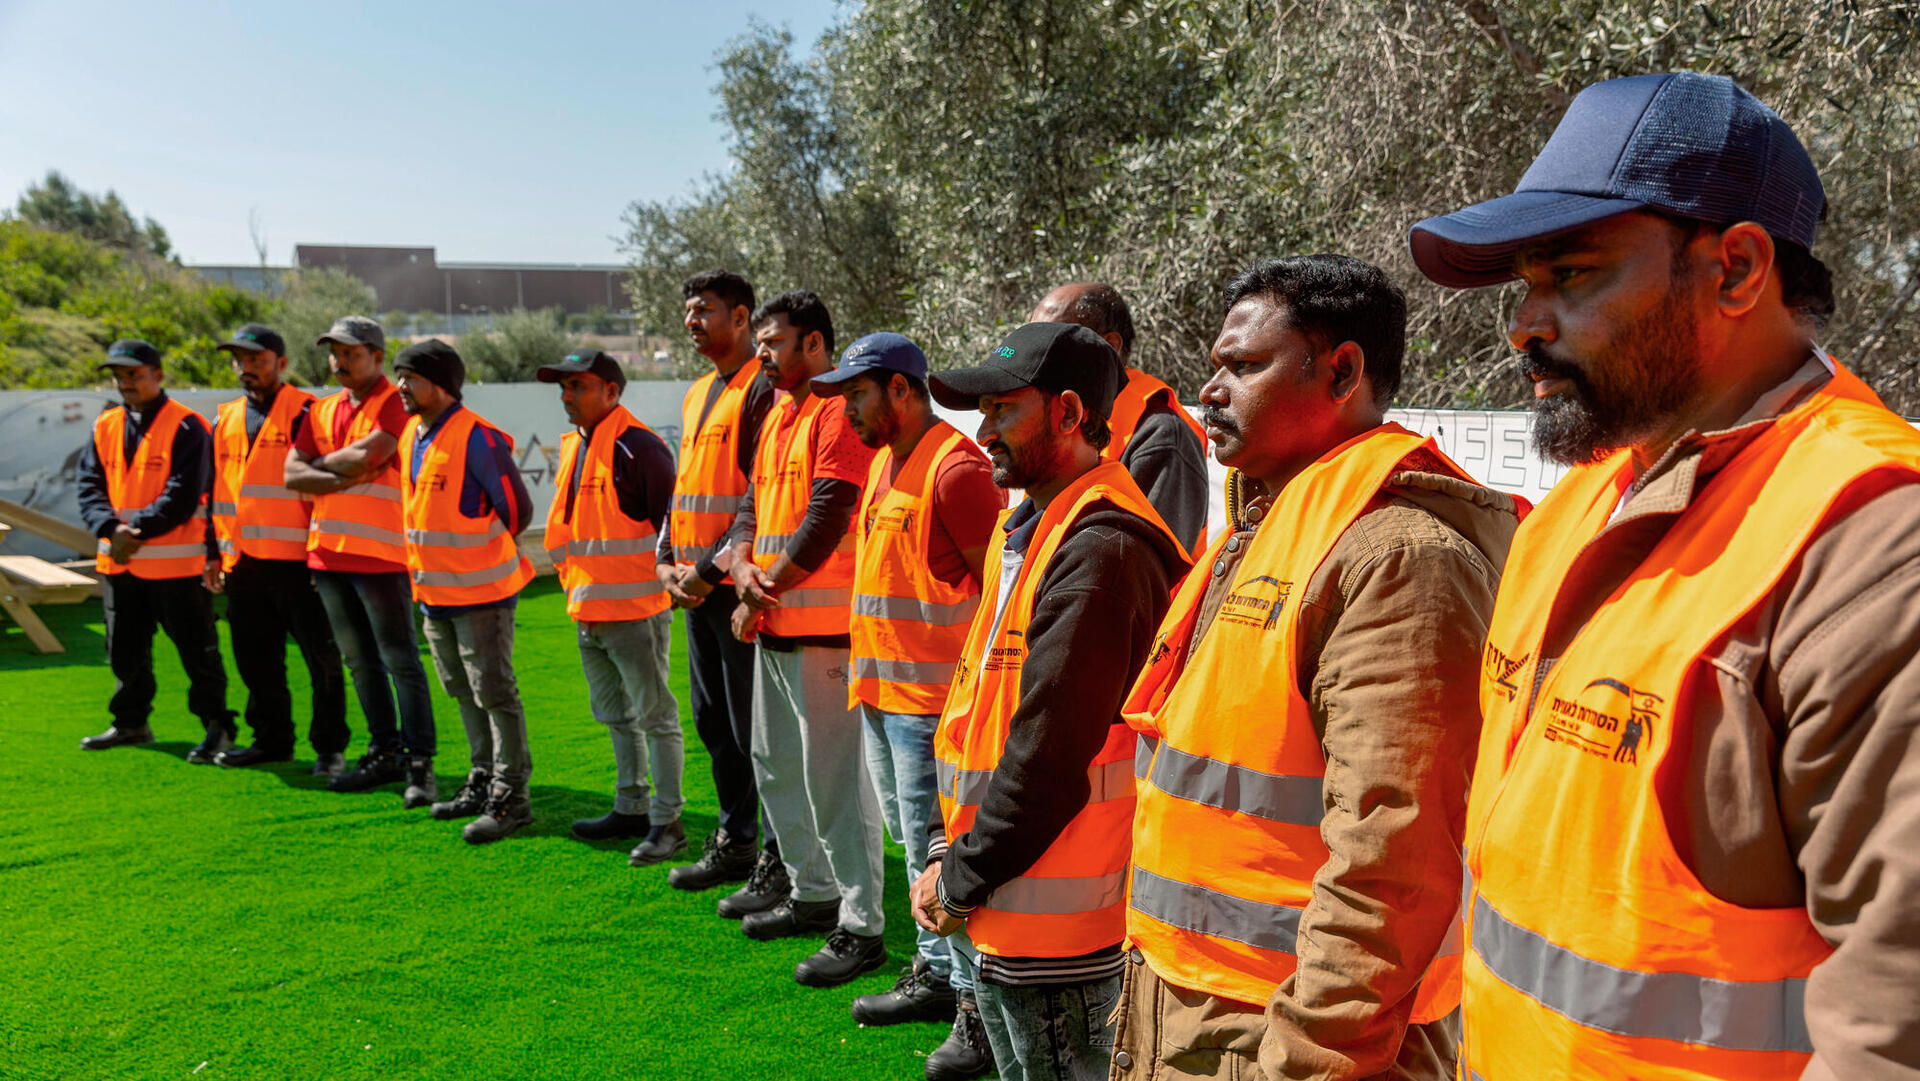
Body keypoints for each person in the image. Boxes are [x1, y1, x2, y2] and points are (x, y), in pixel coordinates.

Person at [1408, 72, 1920, 1079]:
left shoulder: (1871, 543)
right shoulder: (1581, 501)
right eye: (1525, 285)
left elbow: (1896, 1018)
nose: (1525, 326)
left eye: (1574, 277)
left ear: (1735, 269)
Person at [1112, 256, 1518, 1081]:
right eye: (1216, 367)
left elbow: (1391, 862)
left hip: (1290, 1041)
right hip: (1198, 1009)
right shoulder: (1260, 527)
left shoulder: (1400, 558)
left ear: (1343, 372)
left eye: (1246, 365)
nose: (1212, 391)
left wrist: (1299, 1063)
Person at [911, 323, 1190, 1081]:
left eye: (1004, 409)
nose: (983, 428)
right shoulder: (1039, 524)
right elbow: (983, 721)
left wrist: (956, 877)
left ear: (1068, 413)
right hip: (1013, 903)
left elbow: (1049, 758)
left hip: (1059, 935)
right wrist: (952, 854)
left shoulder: (1100, 547)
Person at [810, 331, 1005, 1077]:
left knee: (944, 858)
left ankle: (973, 1006)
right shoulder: (891, 460)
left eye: (856, 394)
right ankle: (935, 973)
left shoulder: (956, 470)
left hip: (935, 707)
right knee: (913, 848)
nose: (847, 411)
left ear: (901, 389)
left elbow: (1000, 595)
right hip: (889, 697)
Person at [724, 291, 889, 988]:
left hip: (824, 629)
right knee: (775, 763)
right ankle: (811, 890)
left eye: (774, 340)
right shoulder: (778, 412)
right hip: (774, 620)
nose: (762, 352)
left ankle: (862, 925)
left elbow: (829, 513)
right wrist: (739, 566)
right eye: (760, 341)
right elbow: (752, 507)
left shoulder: (833, 412)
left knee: (836, 785)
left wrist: (767, 583)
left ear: (814, 344)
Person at [536, 348, 686, 865]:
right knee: (616, 717)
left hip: (637, 613)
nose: (566, 395)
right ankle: (630, 806)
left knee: (655, 717)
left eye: (577, 386)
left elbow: (673, 528)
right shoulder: (578, 445)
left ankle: (668, 823)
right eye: (563, 387)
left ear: (612, 391)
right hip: (588, 612)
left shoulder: (639, 448)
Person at [655, 270, 778, 891]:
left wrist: (704, 572)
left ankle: (777, 858)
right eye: (688, 311)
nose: (691, 320)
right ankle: (737, 839)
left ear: (742, 318)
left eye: (704, 309)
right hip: (697, 588)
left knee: (752, 729)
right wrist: (664, 559)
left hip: (735, 590)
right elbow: (687, 491)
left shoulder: (761, 387)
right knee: (711, 720)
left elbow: (759, 499)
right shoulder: (700, 389)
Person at [391, 340, 536, 844]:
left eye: (409, 377)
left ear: (442, 384)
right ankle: (481, 778)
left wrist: (477, 556)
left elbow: (518, 512)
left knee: (495, 692)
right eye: (398, 376)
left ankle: (511, 795)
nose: (400, 387)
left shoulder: (478, 437)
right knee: (462, 689)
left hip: (482, 594)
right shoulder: (412, 432)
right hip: (435, 595)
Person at [74, 339, 234, 758]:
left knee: (198, 652)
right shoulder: (104, 424)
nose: (125, 383)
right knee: (124, 650)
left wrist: (132, 532)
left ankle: (217, 725)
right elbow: (88, 487)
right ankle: (130, 723)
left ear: (157, 375)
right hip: (121, 563)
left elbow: (184, 494)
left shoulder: (187, 426)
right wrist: (111, 529)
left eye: (134, 374)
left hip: (176, 568)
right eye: (119, 375)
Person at [204, 323, 349, 771]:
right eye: (241, 361)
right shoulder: (224, 418)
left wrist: (320, 555)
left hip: (299, 564)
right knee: (255, 660)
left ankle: (329, 749)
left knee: (321, 660)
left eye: (257, 360)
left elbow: (328, 491)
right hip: (243, 563)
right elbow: (215, 492)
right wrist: (213, 553)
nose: (247, 369)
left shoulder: (310, 412)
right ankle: (271, 740)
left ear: (281, 364)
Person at [1030, 283, 1208, 551]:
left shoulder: (1163, 436)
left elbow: (1143, 567)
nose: (1034, 358)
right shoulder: (1067, 418)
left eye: (1052, 343)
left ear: (1109, 347)